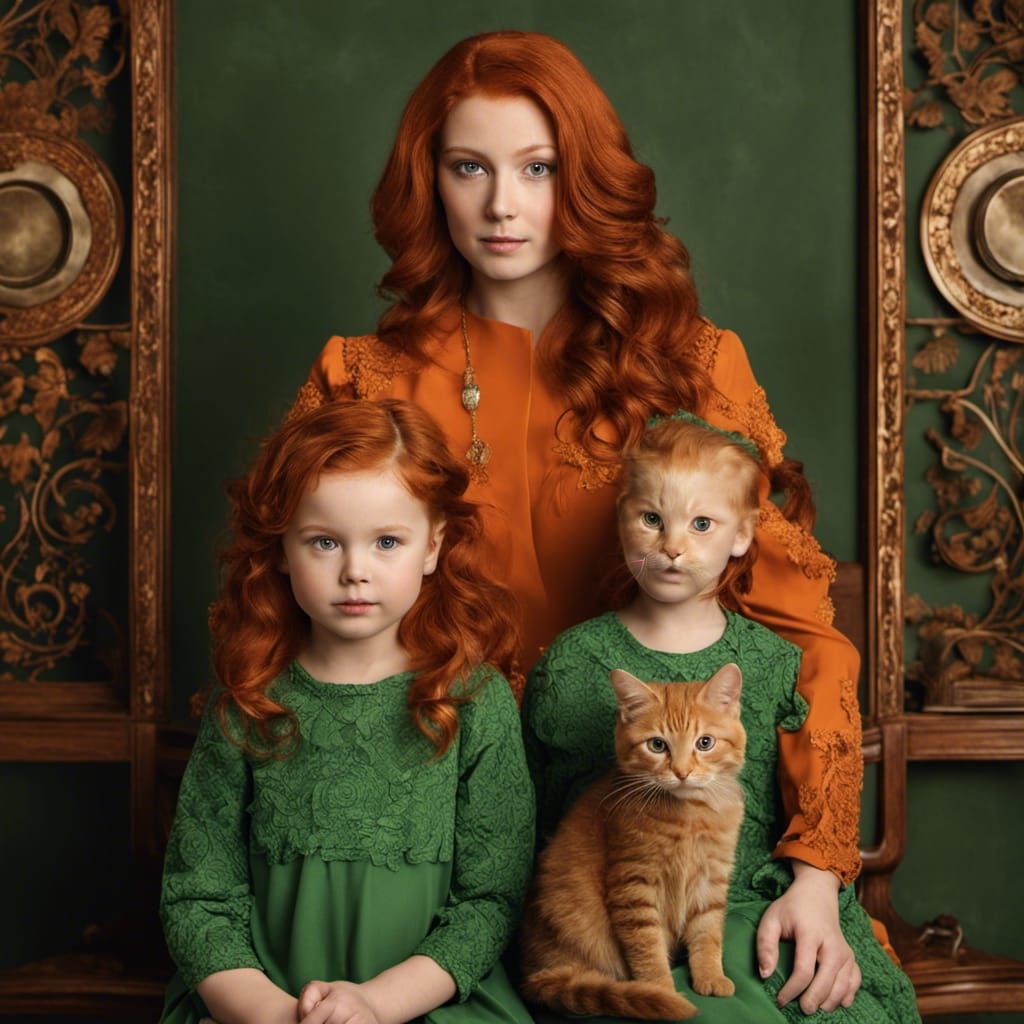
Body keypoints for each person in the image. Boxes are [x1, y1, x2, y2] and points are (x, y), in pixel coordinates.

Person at [290, 29, 892, 1017]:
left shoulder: (696, 366)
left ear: (586, 178)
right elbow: (294, 624)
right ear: (428, 179)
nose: (501, 204)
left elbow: (802, 640)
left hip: (658, 827)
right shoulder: (362, 376)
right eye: (468, 167)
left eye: (539, 167)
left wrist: (821, 873)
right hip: (427, 824)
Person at [523, 412, 920, 1022]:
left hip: (753, 909)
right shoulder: (574, 663)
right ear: (623, 516)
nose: (672, 546)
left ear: (742, 535)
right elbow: (542, 822)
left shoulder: (774, 662)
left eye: (701, 524)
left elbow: (811, 807)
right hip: (610, 916)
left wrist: (816, 888)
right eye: (651, 519)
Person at [159, 400, 535, 1024]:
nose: (355, 572)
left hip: (428, 1003)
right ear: (280, 549)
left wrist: (379, 1005)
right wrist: (271, 1013)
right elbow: (197, 897)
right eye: (324, 542)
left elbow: (491, 900)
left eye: (387, 541)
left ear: (433, 546)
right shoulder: (249, 701)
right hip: (260, 1002)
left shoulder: (473, 699)